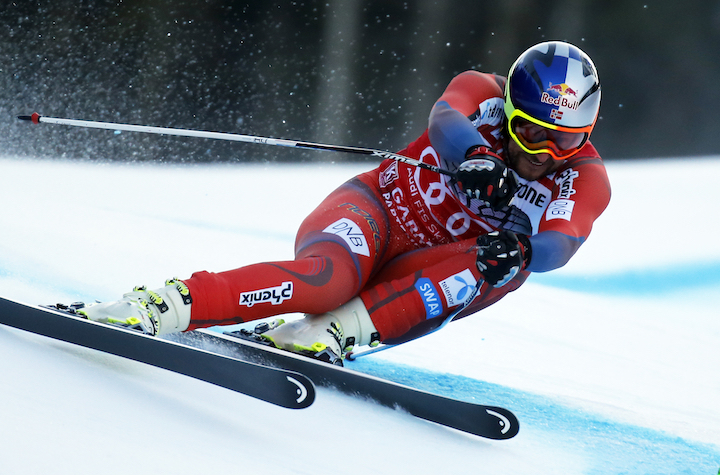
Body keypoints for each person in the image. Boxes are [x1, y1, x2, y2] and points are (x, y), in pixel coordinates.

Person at [78, 40, 611, 365]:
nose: (544, 152)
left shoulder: (584, 177)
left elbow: (560, 243)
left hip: (416, 273)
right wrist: (475, 155)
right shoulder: (482, 90)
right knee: (329, 280)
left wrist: (522, 250)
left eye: (564, 140)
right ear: (511, 109)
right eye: (530, 132)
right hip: (373, 214)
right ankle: (164, 305)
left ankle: (334, 331)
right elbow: (446, 117)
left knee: (501, 268)